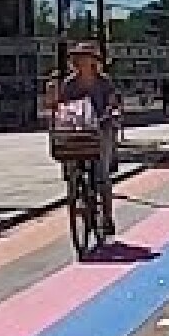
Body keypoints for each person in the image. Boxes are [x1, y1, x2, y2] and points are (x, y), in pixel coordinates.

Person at [50, 42, 123, 236]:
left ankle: (107, 216)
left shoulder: (104, 82)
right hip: (78, 131)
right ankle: (77, 198)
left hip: (101, 129)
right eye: (79, 58)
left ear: (94, 61)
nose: (82, 61)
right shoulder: (69, 84)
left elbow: (113, 102)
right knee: (72, 166)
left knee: (102, 175)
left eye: (86, 57)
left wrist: (111, 113)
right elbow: (63, 107)